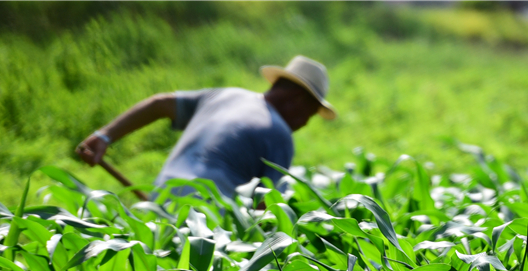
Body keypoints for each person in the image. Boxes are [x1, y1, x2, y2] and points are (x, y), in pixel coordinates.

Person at [76, 55, 336, 199]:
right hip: (208, 226)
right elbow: (265, 210)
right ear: (296, 100)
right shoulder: (279, 136)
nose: (303, 124)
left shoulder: (224, 95)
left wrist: (104, 136)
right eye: (310, 114)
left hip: (159, 199)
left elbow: (159, 103)